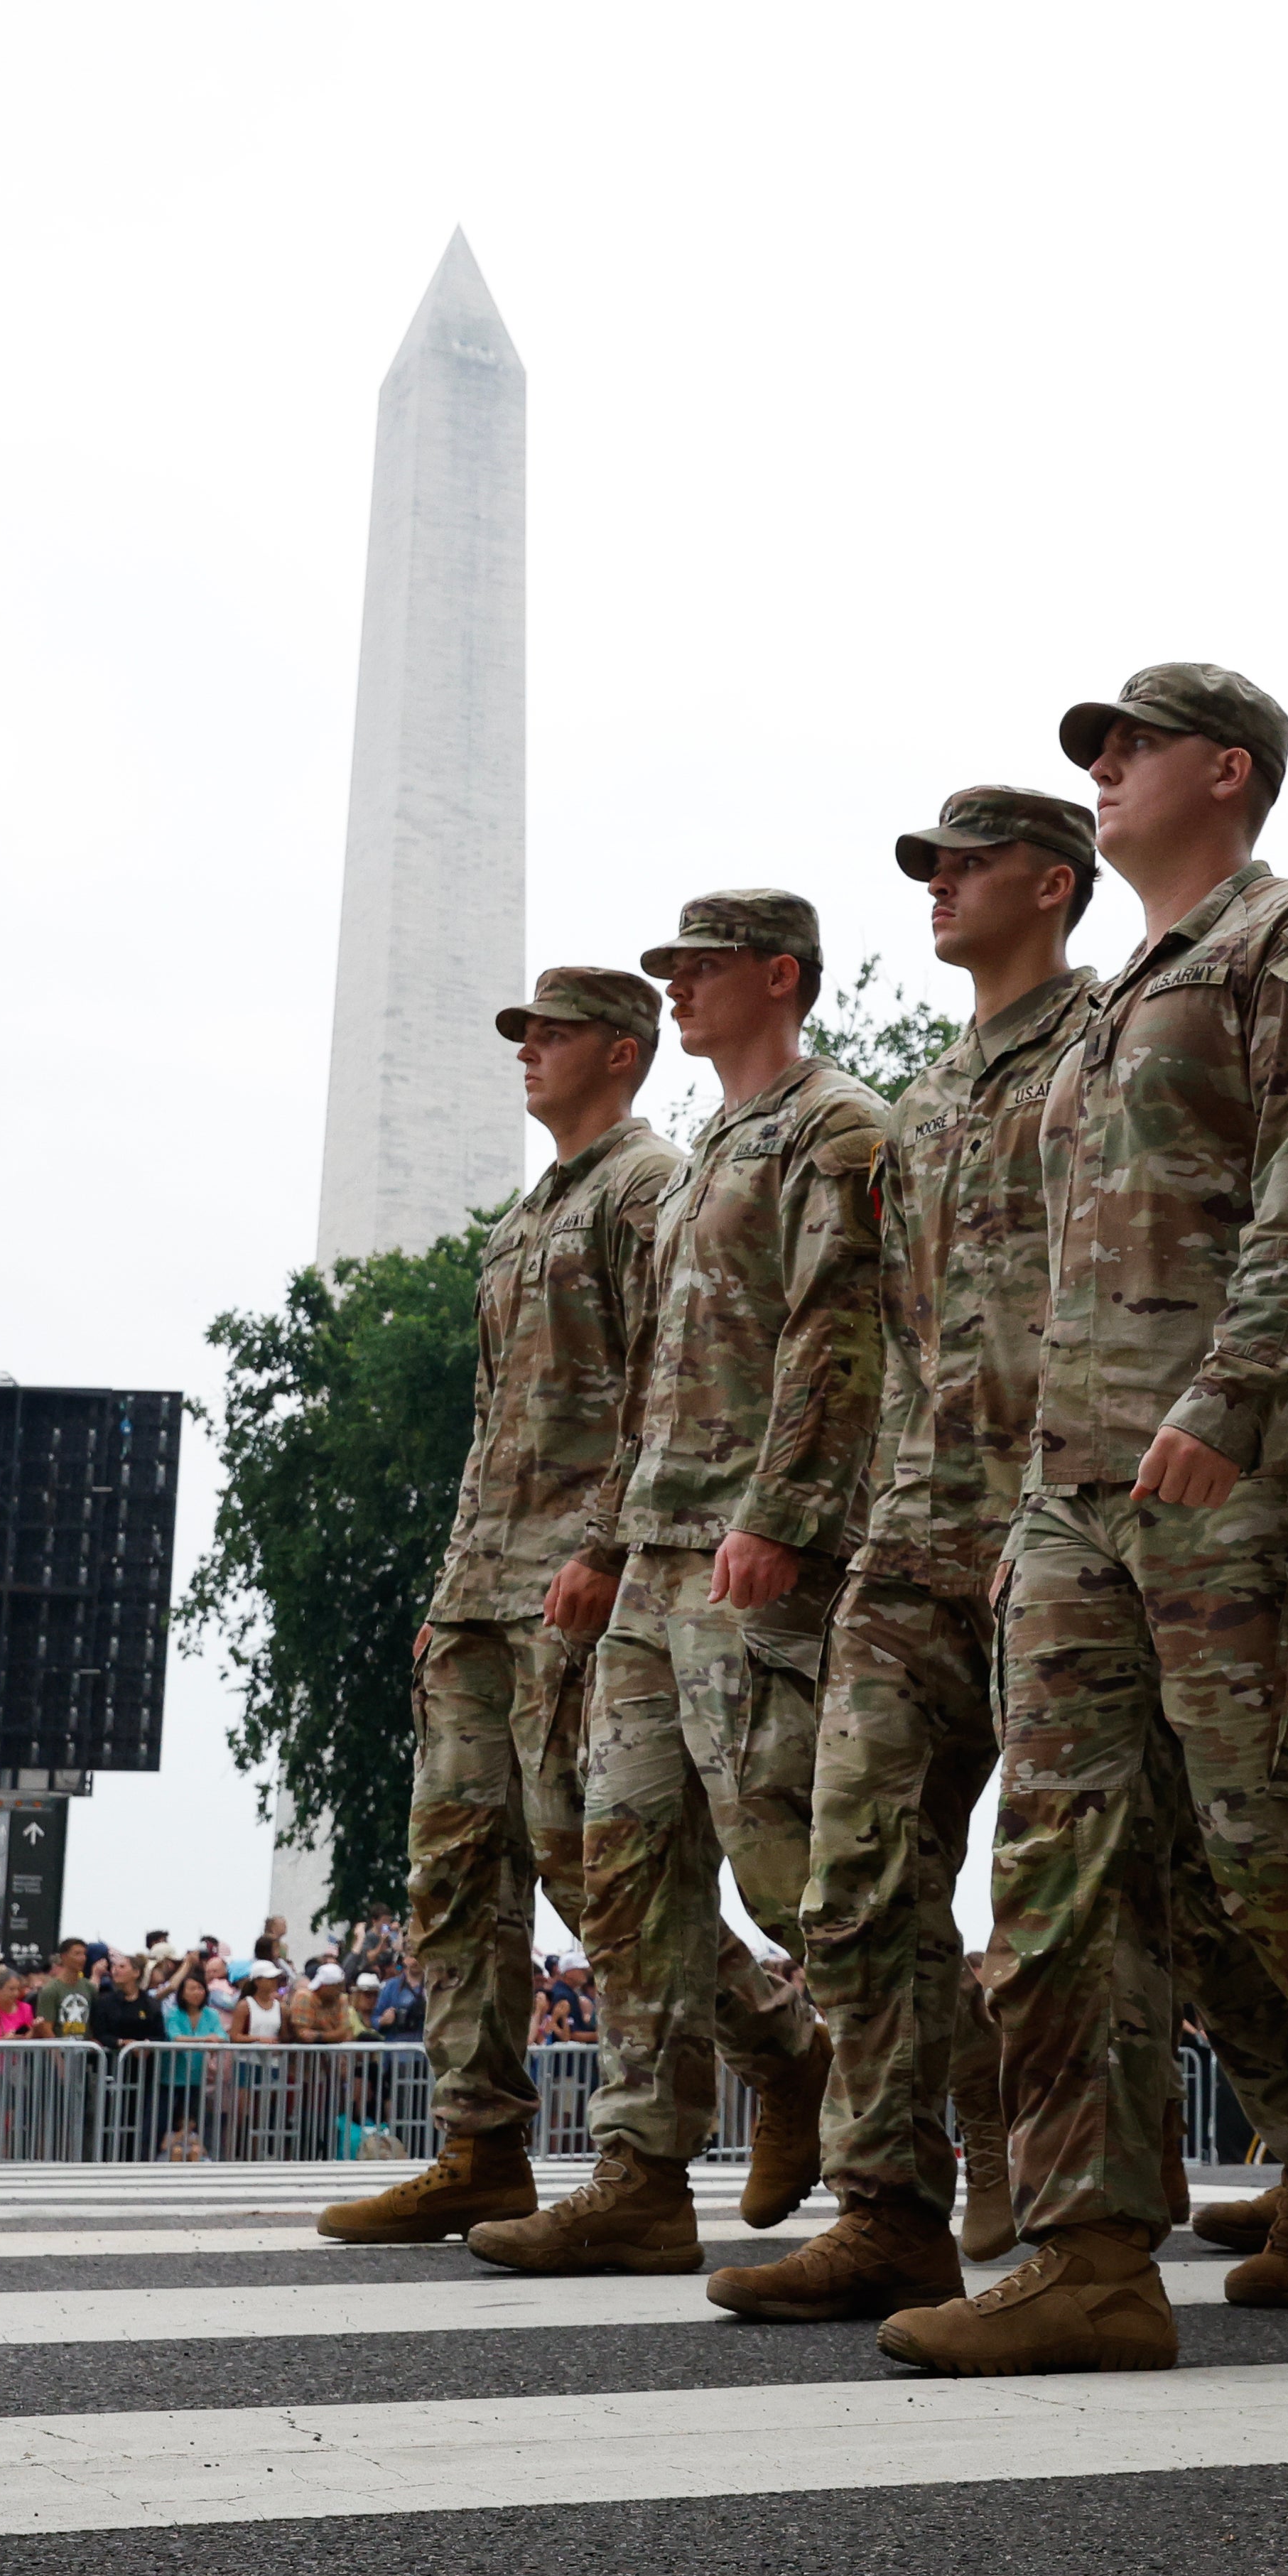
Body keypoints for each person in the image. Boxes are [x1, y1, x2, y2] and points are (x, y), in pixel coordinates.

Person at [877, 665, 1288, 2380]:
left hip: (1274, 1477)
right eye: (1092, 752)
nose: (1103, 772)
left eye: (1128, 747)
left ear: (1230, 772)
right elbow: (1063, 1281)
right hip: (1083, 1500)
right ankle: (1087, 2254)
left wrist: (1225, 1398)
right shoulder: (1098, 1019)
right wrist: (1035, 1495)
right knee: (1062, 1877)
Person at [713, 788, 1097, 2321]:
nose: (937, 886)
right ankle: (890, 2205)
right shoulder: (925, 1104)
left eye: (969, 863)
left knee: (1147, 1891)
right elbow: (884, 1335)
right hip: (918, 1526)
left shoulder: (1104, 1043)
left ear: (1054, 885)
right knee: (854, 1873)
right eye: (927, 866)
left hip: (1073, 1512)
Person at [322, 968, 762, 2247]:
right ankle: (479, 2145)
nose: (528, 1052)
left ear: (621, 1055)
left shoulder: (645, 1187)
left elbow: (665, 1384)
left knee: (598, 1870)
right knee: (453, 1874)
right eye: (523, 1033)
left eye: (553, 1035)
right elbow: (492, 1425)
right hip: (483, 1592)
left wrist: (608, 1544)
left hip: (577, 1583)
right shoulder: (526, 1219)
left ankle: (768, 2058)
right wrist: (451, 1583)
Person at [473, 896, 880, 2277]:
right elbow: (652, 1375)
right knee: (623, 1858)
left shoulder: (837, 1127)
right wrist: (602, 1539)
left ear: (779, 975)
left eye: (699, 969)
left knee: (791, 1860)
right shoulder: (711, 1152)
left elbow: (841, 1330)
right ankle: (643, 2169)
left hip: (747, 1553)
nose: (682, 989)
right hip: (655, 1552)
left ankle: (932, 2143)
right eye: (670, 972)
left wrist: (783, 1512)